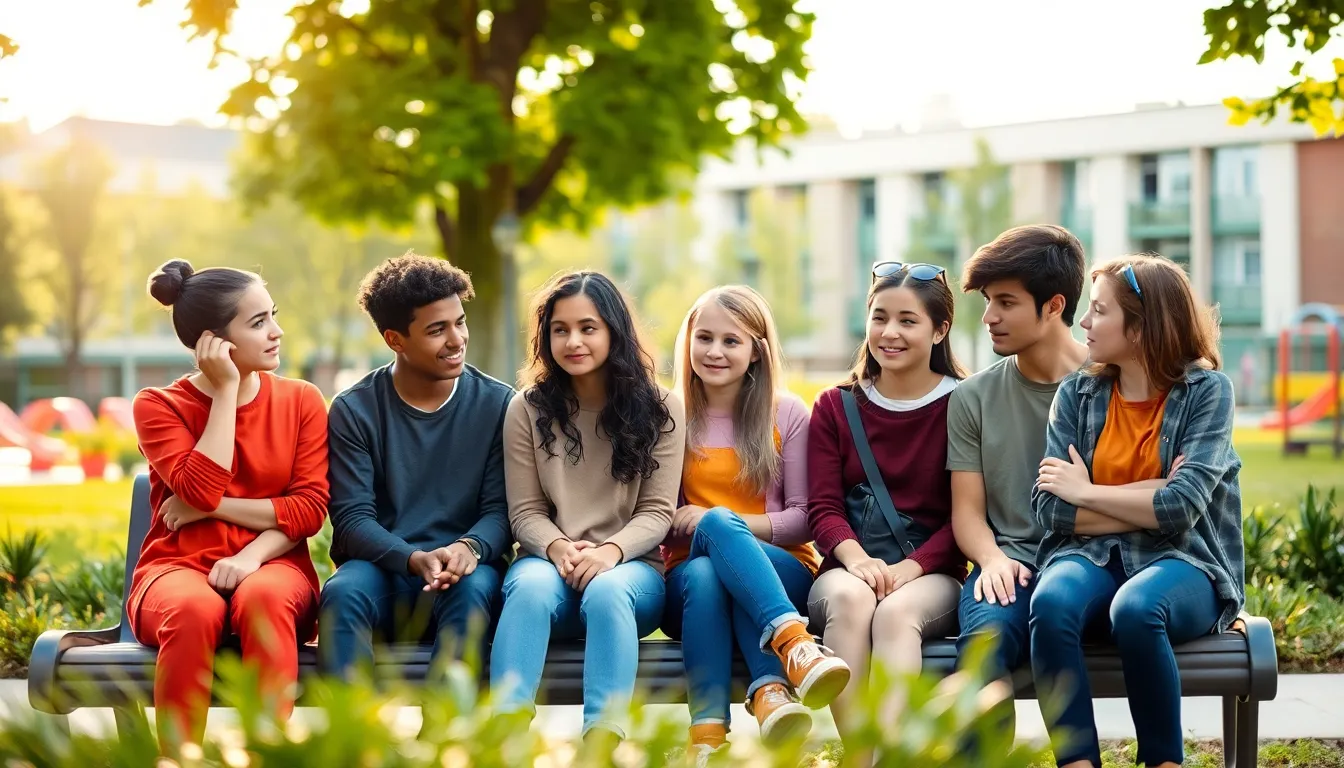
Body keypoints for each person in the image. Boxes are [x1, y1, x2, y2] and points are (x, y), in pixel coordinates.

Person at [1030, 255, 1246, 768]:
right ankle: (1077, 762)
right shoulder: (1077, 395)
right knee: (1053, 602)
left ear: (1143, 325)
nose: (1084, 323)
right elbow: (1048, 509)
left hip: (1186, 562)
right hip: (1091, 554)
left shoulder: (1207, 392)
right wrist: (1145, 499)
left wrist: (1085, 492)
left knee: (1136, 608)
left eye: (1099, 311)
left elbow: (1180, 508)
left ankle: (1164, 761)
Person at [130, 259, 329, 754]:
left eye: (273, 316)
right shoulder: (158, 405)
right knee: (194, 610)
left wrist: (242, 550)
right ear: (212, 343)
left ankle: (267, 755)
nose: (276, 333)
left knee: (262, 601)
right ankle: (178, 760)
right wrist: (224, 392)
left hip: (274, 562)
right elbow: (199, 488)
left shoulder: (302, 400)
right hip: (175, 568)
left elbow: (307, 511)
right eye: (258, 323)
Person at [492, 271, 685, 750]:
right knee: (531, 589)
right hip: (547, 563)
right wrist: (558, 548)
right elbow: (526, 512)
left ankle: (601, 745)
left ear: (614, 332)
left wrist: (610, 554)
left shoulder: (663, 408)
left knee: (607, 593)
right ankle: (502, 740)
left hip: (631, 572)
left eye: (588, 327)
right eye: (560, 329)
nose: (573, 341)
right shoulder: (527, 409)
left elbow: (658, 512)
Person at [661, 286, 849, 761]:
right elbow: (655, 516)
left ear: (757, 351)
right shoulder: (667, 416)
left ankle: (708, 735)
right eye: (704, 337)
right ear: (688, 342)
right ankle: (778, 675)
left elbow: (804, 520)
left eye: (731, 341)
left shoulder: (786, 413)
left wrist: (719, 523)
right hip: (688, 583)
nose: (714, 351)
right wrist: (699, 526)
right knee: (706, 571)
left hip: (781, 573)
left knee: (722, 531)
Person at [319, 253, 514, 680]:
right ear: (395, 339)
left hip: (467, 571)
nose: (457, 339)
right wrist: (413, 558)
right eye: (436, 330)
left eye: (459, 322)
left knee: (476, 591)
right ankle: (356, 743)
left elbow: (502, 510)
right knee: (343, 593)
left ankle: (449, 742)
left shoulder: (499, 404)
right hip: (384, 572)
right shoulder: (355, 410)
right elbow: (351, 520)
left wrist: (470, 548)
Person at [806, 261, 969, 765]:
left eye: (907, 320)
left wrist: (908, 568)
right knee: (851, 602)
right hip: (848, 566)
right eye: (879, 318)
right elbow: (823, 507)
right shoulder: (836, 405)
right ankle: (861, 759)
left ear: (940, 329)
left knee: (897, 614)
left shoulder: (965, 403)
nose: (889, 333)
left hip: (931, 572)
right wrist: (857, 561)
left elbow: (966, 515)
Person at [946, 226, 1090, 726]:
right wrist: (991, 560)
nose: (989, 318)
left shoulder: (1112, 384)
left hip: (1096, 566)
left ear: (1053, 306)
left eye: (1005, 302)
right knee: (984, 642)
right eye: (988, 301)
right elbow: (966, 512)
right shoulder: (973, 397)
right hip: (1012, 566)